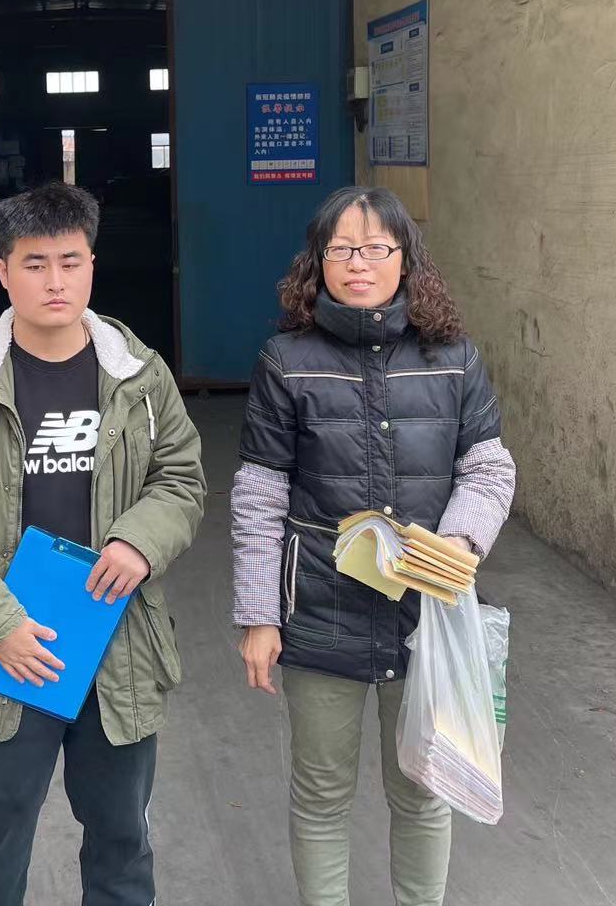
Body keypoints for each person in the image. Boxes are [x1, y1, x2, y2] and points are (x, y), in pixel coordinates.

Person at [0, 181, 206, 906]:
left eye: (70, 261)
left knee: (122, 842)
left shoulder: (139, 375)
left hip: (114, 644)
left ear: (92, 264)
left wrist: (140, 541)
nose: (54, 281)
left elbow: (182, 477)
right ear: (4, 272)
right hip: (3, 652)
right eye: (34, 264)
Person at [231, 185, 517, 906]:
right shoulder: (285, 361)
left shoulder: (453, 359)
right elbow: (260, 493)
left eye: (376, 248)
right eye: (342, 249)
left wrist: (456, 545)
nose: (359, 263)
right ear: (318, 263)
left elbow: (488, 468)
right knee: (321, 795)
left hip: (426, 613)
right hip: (318, 608)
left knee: (423, 790)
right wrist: (258, 616)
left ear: (405, 259)